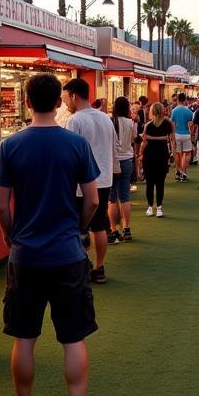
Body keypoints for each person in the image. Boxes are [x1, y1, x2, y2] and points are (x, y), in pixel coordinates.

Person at [0, 73, 108, 396]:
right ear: (60, 101)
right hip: (67, 254)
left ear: (27, 102)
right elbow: (91, 200)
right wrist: (78, 229)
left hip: (25, 255)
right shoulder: (74, 144)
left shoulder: (12, 146)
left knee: (24, 338)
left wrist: (11, 235)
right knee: (73, 338)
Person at [65, 78, 117, 286]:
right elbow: (113, 148)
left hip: (81, 183)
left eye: (65, 98)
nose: (65, 103)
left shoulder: (75, 120)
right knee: (100, 225)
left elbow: (68, 153)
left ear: (73, 96)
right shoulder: (105, 118)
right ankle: (100, 267)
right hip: (104, 179)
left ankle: (81, 265)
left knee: (79, 227)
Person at [110, 96, 136, 242]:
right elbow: (133, 138)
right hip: (127, 159)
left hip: (113, 161)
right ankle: (127, 229)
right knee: (125, 196)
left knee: (112, 198)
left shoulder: (110, 121)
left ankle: (113, 229)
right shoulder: (130, 122)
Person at [142, 103, 175, 216]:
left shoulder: (148, 125)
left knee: (149, 183)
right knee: (160, 183)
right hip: (162, 155)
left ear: (152, 111)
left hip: (149, 156)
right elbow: (172, 140)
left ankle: (150, 207)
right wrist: (173, 153)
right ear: (162, 111)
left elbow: (144, 142)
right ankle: (159, 208)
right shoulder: (168, 124)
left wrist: (139, 154)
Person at [171, 92, 194, 183]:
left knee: (177, 153)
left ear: (177, 100)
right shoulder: (189, 111)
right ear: (185, 100)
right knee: (187, 153)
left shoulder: (174, 111)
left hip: (177, 134)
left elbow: (172, 124)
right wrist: (192, 135)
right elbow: (192, 124)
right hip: (186, 134)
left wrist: (172, 136)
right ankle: (183, 173)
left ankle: (178, 172)